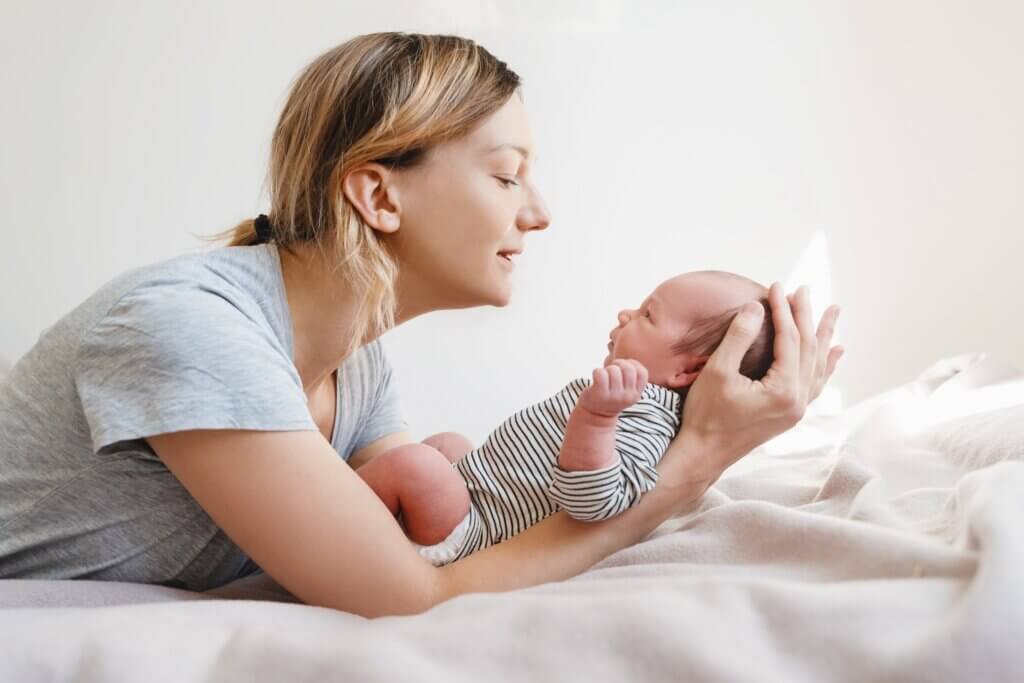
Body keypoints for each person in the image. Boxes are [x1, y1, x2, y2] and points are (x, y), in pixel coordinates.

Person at [0, 33, 842, 617]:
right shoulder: (194, 330)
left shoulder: (355, 370)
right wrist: (696, 460)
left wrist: (679, 420)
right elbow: (412, 597)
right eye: (508, 177)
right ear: (378, 194)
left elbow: (434, 546)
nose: (540, 213)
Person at [355, 271, 779, 565]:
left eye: (649, 315)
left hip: (481, 537)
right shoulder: (632, 399)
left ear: (687, 372)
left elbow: (594, 502)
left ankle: (338, 512)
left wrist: (596, 418)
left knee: (417, 465)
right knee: (447, 446)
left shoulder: (652, 421)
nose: (625, 314)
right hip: (477, 498)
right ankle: (381, 518)